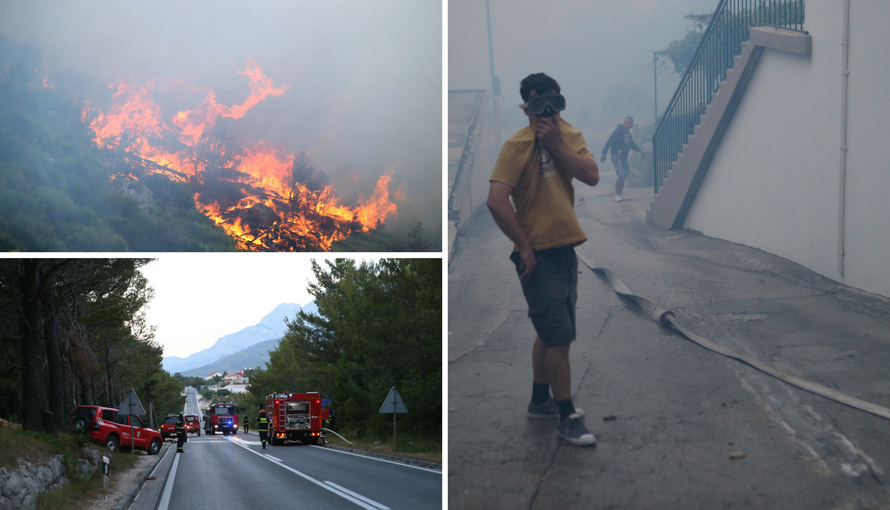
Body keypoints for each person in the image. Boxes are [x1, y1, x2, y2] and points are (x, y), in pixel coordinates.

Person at [487, 72, 599, 446]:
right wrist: (524, 246)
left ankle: (540, 401)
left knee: (551, 334)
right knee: (559, 338)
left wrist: (556, 145)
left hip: (565, 249)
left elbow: (591, 176)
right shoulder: (516, 146)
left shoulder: (569, 136)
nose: (548, 111)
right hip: (537, 256)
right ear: (526, 108)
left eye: (554, 102)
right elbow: (496, 200)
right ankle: (566, 416)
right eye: (539, 105)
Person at [601, 116, 645, 202]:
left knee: (624, 175)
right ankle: (616, 195)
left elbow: (631, 144)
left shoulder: (628, 134)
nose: (629, 125)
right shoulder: (617, 132)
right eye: (628, 123)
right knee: (620, 175)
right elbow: (609, 142)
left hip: (624, 157)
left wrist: (640, 150)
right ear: (624, 123)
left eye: (631, 124)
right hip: (616, 156)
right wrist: (603, 154)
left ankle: (620, 194)